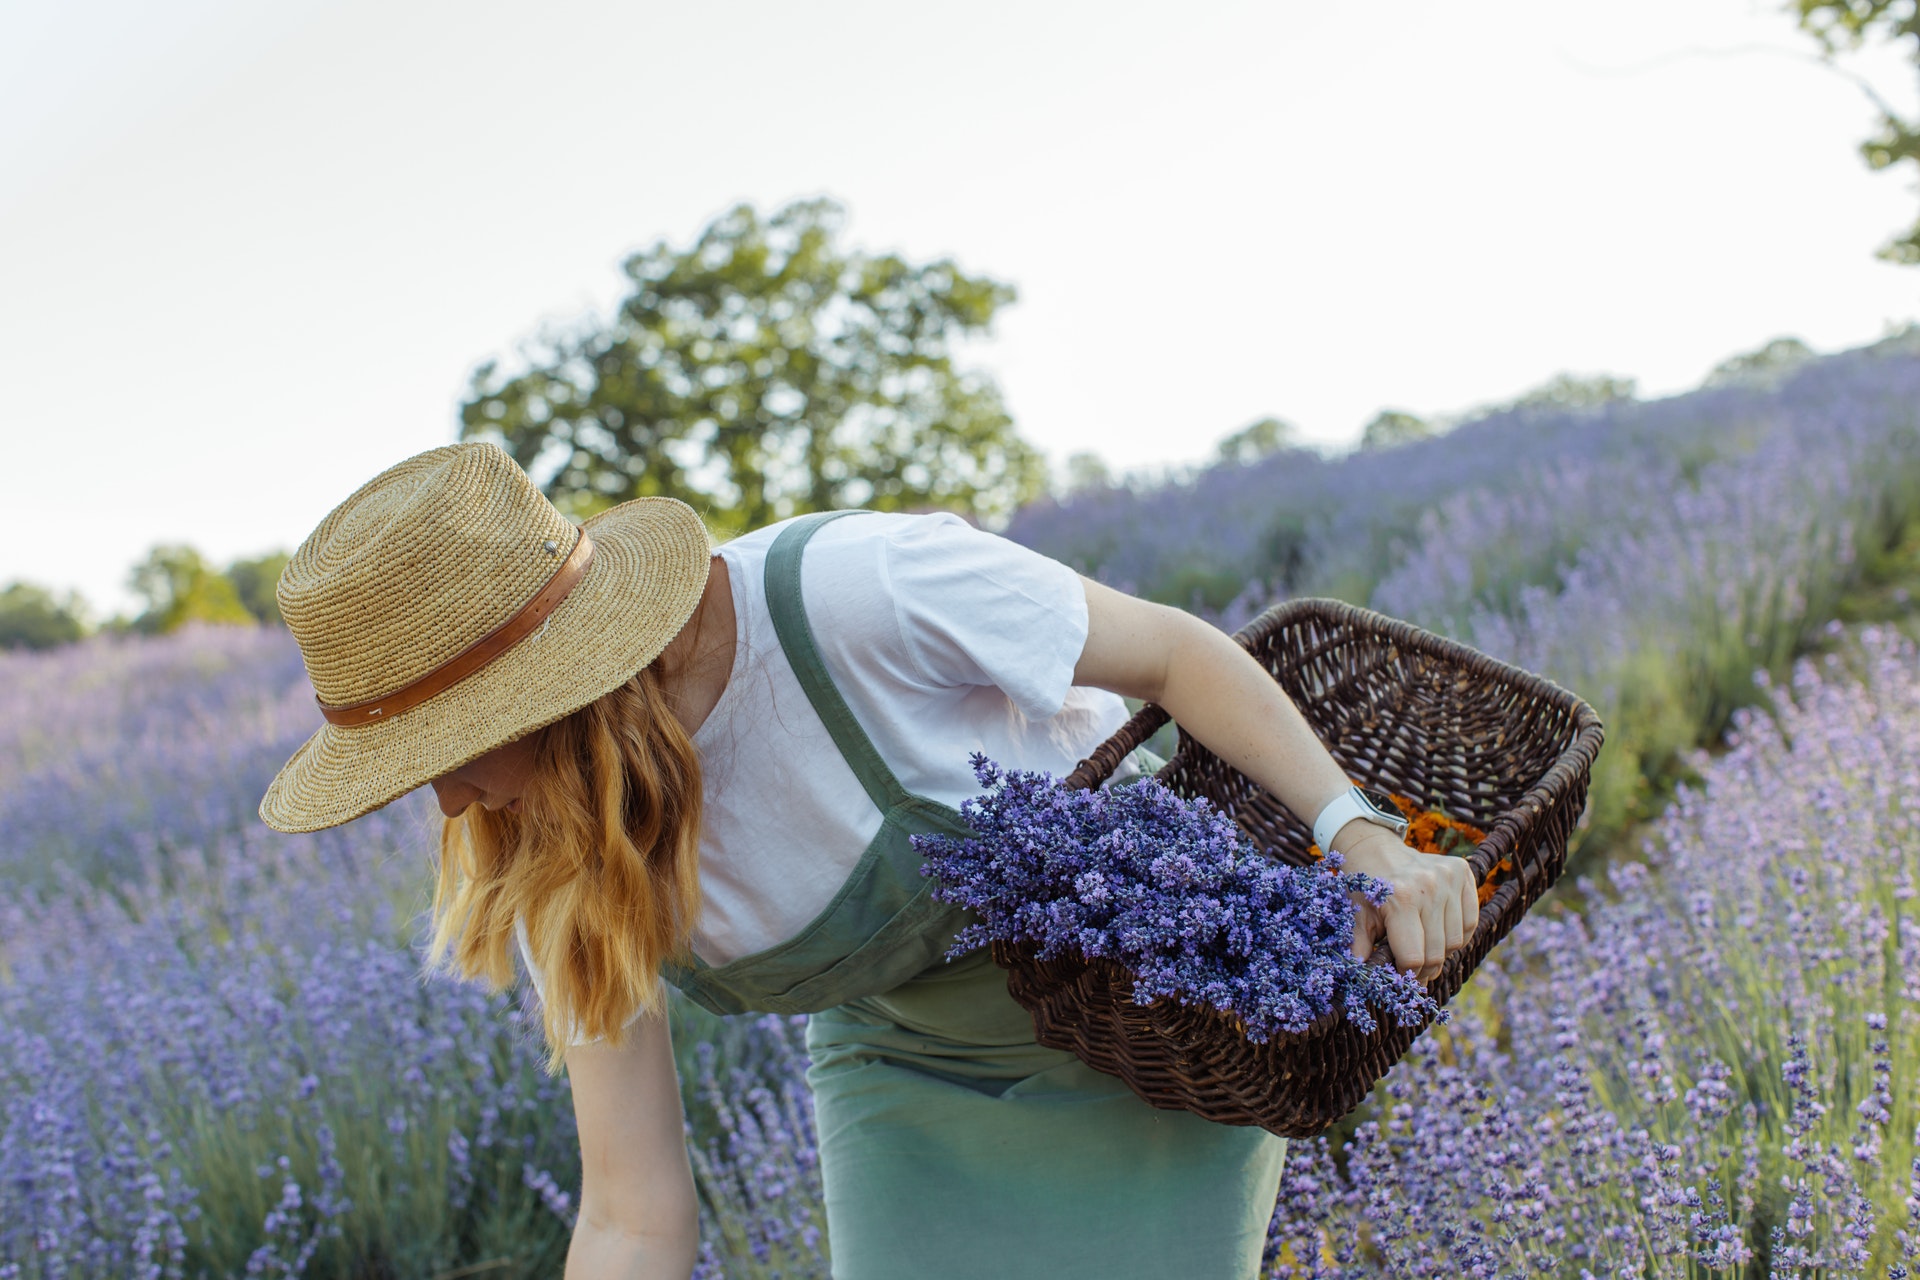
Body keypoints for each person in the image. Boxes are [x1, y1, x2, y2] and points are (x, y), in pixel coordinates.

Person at [260, 442, 1476, 1280]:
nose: (446, 799)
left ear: (559, 692)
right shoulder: (550, 849)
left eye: (456, 745)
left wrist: (1357, 831)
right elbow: (632, 1207)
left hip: (1143, 1009)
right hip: (900, 1070)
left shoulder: (857, 592)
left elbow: (1174, 656)